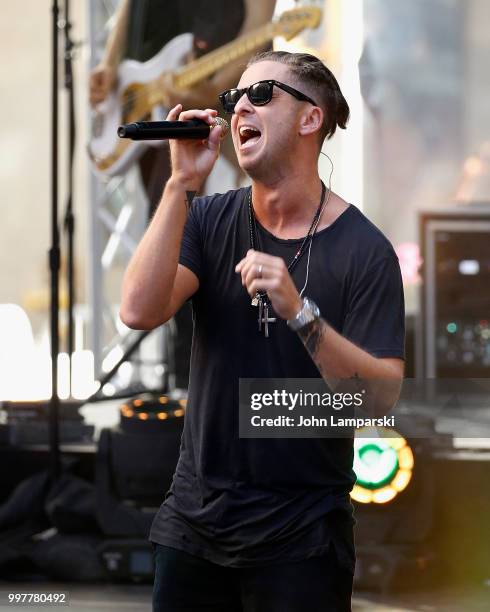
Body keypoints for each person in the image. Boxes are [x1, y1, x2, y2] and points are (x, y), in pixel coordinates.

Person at [120, 51, 405, 611]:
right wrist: (180, 184)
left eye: (262, 93)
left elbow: (379, 400)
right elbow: (137, 310)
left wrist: (302, 312)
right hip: (194, 527)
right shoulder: (207, 219)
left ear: (310, 119)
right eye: (234, 99)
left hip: (301, 538)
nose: (239, 105)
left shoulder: (365, 251)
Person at [90, 0, 275, 388]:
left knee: (206, 243)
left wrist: (216, 88)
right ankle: (179, 376)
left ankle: (201, 379)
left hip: (212, 107)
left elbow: (255, 39)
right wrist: (109, 65)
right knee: (167, 229)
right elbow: (130, 10)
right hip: (152, 97)